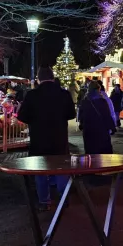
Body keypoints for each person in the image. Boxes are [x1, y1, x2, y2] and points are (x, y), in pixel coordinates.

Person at [18, 66, 77, 208]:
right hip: (59, 137)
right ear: (52, 77)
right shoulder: (64, 94)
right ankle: (63, 199)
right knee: (61, 168)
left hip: (39, 138)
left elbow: (22, 116)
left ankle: (44, 201)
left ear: (38, 79)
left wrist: (35, 120)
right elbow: (71, 114)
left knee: (41, 171)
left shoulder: (32, 95)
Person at [78, 80, 115, 154]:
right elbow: (107, 115)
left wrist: (81, 125)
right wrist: (112, 127)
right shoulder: (102, 101)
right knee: (103, 153)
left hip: (89, 131)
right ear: (98, 89)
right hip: (101, 130)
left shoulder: (85, 101)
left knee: (91, 152)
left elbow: (81, 116)